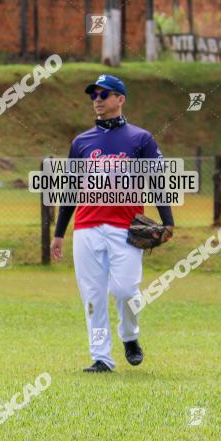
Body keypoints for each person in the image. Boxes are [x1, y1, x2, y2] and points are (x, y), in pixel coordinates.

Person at [51, 74, 174, 373]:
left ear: (120, 99)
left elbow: (156, 181)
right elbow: (70, 189)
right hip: (86, 228)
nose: (97, 100)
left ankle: (130, 336)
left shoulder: (140, 139)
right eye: (94, 95)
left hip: (125, 228)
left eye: (104, 95)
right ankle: (101, 357)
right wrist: (59, 233)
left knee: (126, 291)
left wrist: (168, 220)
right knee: (92, 298)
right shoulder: (81, 142)